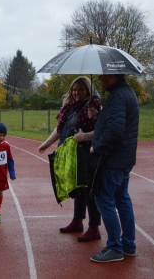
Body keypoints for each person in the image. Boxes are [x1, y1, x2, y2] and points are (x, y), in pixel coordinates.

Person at [38, 76, 102, 241]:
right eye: (74, 89)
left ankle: (94, 228)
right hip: (69, 154)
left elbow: (102, 128)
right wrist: (46, 144)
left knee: (89, 190)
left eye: (81, 89)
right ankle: (77, 221)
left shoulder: (94, 106)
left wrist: (95, 116)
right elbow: (60, 129)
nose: (77, 92)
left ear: (88, 90)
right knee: (77, 188)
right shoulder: (69, 107)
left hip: (85, 153)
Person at [90, 74, 138, 263]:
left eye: (103, 74)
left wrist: (97, 146)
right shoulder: (125, 92)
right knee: (122, 199)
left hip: (114, 160)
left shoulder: (118, 95)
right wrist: (99, 116)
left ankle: (114, 248)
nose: (100, 77)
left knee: (104, 200)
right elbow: (116, 123)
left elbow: (116, 131)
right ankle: (127, 244)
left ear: (112, 75)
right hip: (123, 158)